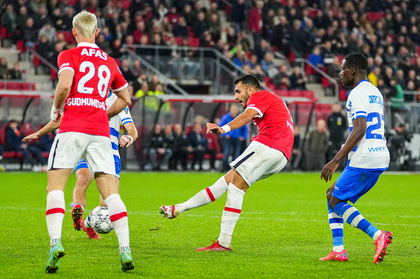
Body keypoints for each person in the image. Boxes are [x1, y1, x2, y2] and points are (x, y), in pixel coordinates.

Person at [39, 11, 134, 273]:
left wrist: (56, 111)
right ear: (96, 33)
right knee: (111, 193)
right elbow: (125, 99)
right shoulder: (109, 61)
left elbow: (64, 86)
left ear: (74, 32)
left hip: (72, 127)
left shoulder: (68, 55)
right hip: (101, 132)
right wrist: (103, 114)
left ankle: (55, 243)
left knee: (55, 187)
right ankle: (125, 250)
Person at [160, 74, 294, 251]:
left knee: (236, 187)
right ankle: (179, 208)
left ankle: (223, 242)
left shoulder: (260, 96)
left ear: (251, 90)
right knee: (226, 181)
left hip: (268, 145)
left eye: (238, 91)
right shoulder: (272, 100)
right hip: (280, 153)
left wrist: (224, 128)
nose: (236, 97)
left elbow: (248, 115)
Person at [320, 53, 393, 264]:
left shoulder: (356, 93)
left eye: (343, 70)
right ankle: (338, 250)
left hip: (365, 157)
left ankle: (378, 235)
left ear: (352, 71)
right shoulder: (374, 91)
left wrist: (335, 160)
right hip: (378, 154)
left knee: (336, 200)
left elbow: (360, 129)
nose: (340, 74)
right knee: (332, 193)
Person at [219, 104, 248, 172]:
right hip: (228, 138)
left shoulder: (240, 117)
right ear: (230, 110)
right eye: (233, 109)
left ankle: (234, 169)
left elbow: (245, 128)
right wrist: (225, 135)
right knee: (226, 153)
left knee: (236, 154)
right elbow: (220, 127)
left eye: (235, 109)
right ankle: (224, 168)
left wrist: (243, 137)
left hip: (237, 138)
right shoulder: (226, 117)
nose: (234, 110)